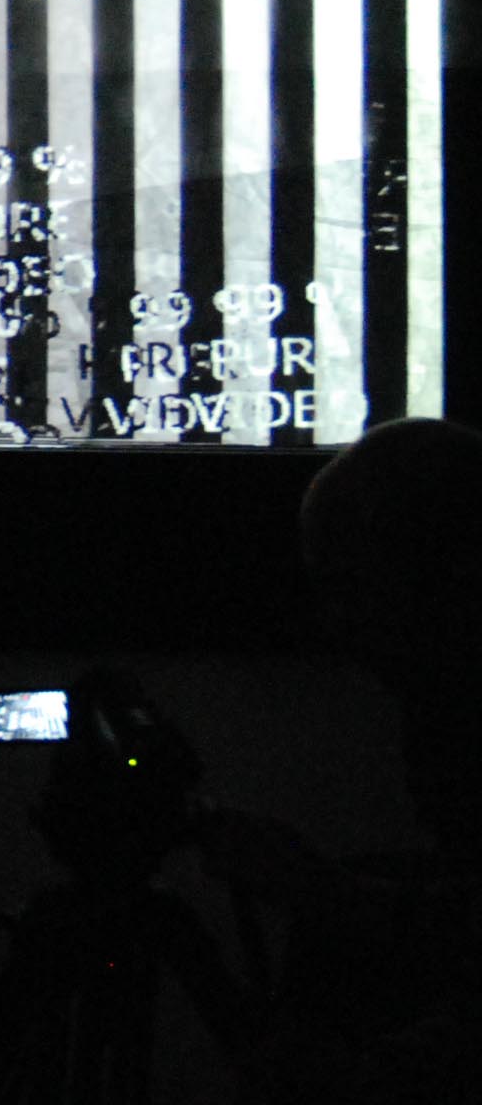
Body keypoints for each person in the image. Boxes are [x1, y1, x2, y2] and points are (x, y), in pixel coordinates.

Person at [201, 415, 482, 1101]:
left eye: (353, 588)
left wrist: (327, 896)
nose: (337, 624)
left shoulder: (448, 711)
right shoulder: (440, 697)